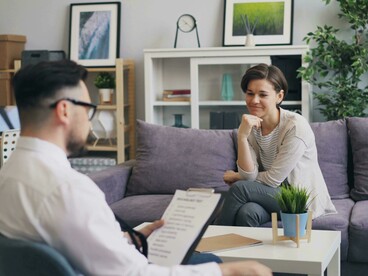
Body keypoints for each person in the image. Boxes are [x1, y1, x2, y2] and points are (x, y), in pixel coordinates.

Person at [0, 60, 272, 276]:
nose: (90, 122)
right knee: (214, 261)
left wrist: (129, 237)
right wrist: (227, 271)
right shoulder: (68, 188)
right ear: (64, 111)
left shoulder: (9, 175)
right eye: (88, 109)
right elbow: (133, 273)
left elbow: (58, 238)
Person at [217, 63, 337, 227]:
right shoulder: (248, 126)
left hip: (299, 200)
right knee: (248, 212)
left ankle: (210, 243)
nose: (254, 100)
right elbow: (249, 175)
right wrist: (242, 136)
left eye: (263, 95)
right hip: (269, 196)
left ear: (279, 96)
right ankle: (246, 252)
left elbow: (272, 179)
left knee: (239, 189)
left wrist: (237, 176)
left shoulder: (295, 126)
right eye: (250, 93)